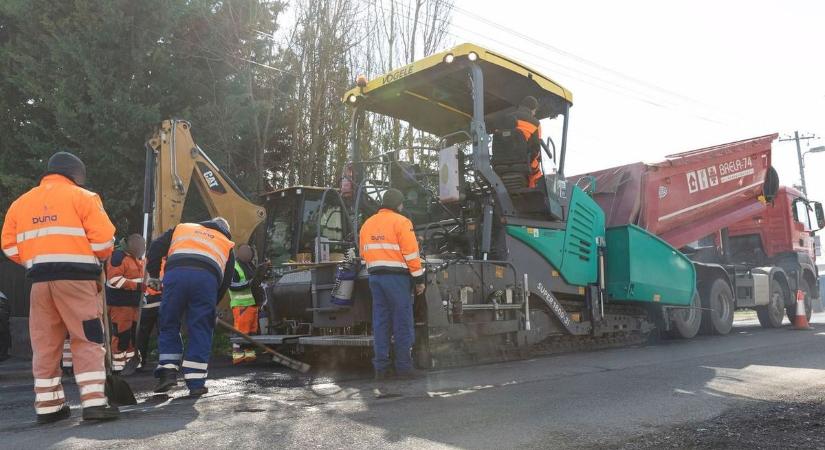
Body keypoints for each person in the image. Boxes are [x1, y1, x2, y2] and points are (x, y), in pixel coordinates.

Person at [1, 151, 119, 423]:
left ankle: (48, 407)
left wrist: (38, 258)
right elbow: (104, 243)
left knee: (45, 344)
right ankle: (93, 404)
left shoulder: (21, 203)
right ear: (76, 175)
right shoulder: (84, 197)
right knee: (87, 339)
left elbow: (8, 246)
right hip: (77, 280)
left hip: (40, 282)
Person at [146, 218, 235, 397]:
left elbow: (155, 247)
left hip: (176, 274)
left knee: (169, 322)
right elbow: (226, 280)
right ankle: (195, 383)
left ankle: (168, 372)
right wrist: (212, 307)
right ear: (226, 230)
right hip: (207, 280)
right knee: (201, 328)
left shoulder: (182, 228)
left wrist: (154, 275)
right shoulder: (226, 243)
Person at [359, 188, 425, 380]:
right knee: (402, 322)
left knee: (381, 323)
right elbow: (412, 254)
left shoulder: (367, 224)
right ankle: (404, 368)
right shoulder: (402, 222)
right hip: (397, 279)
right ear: (398, 204)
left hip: (375, 279)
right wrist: (419, 280)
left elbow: (363, 253)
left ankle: (381, 368)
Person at [105, 234, 145, 373]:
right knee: (122, 334)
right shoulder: (117, 257)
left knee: (133, 333)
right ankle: (118, 364)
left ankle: (131, 361)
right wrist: (138, 287)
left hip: (134, 303)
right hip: (120, 303)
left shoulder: (137, 258)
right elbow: (114, 280)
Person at [229, 244, 258, 365]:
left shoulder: (250, 265)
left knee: (251, 331)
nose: (248, 254)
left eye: (249, 251)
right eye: (244, 251)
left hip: (251, 304)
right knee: (240, 331)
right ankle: (237, 354)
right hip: (241, 304)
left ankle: (249, 353)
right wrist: (248, 283)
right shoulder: (234, 267)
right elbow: (232, 285)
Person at [136, 257, 164, 371]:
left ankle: (141, 361)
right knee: (165, 333)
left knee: (143, 334)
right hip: (159, 302)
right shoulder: (168, 261)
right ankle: (166, 363)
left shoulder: (144, 261)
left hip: (150, 302)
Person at [510, 96, 543, 188]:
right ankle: (532, 195)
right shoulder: (535, 123)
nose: (534, 113)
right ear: (532, 109)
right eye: (535, 111)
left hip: (501, 161)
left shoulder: (507, 119)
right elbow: (536, 147)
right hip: (524, 161)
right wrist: (529, 160)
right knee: (537, 175)